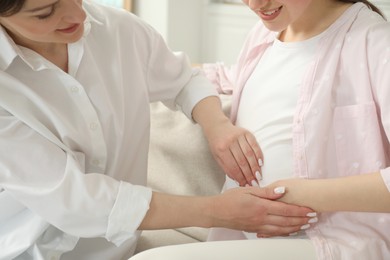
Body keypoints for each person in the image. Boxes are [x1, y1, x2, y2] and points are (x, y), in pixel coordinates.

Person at [0, 0, 318, 259]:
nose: (78, 14)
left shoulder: (118, 30)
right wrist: (217, 212)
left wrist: (217, 126)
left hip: (118, 250)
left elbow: (183, 80)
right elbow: (77, 201)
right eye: (45, 11)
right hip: (24, 251)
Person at [130, 0, 390, 260]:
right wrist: (213, 122)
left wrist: (300, 195)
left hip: (336, 245)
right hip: (242, 240)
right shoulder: (262, 37)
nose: (255, 3)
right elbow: (215, 78)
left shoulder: (375, 43)